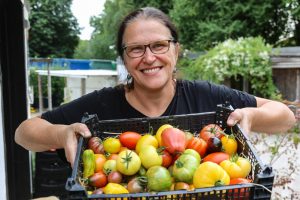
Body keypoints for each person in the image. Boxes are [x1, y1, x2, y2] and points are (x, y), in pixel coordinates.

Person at [15, 7, 296, 167]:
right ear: (124, 59)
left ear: (176, 50)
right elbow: (24, 134)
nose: (149, 58)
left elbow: (284, 117)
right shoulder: (100, 105)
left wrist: (251, 116)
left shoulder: (207, 96)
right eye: (136, 49)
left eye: (159, 45)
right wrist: (62, 132)